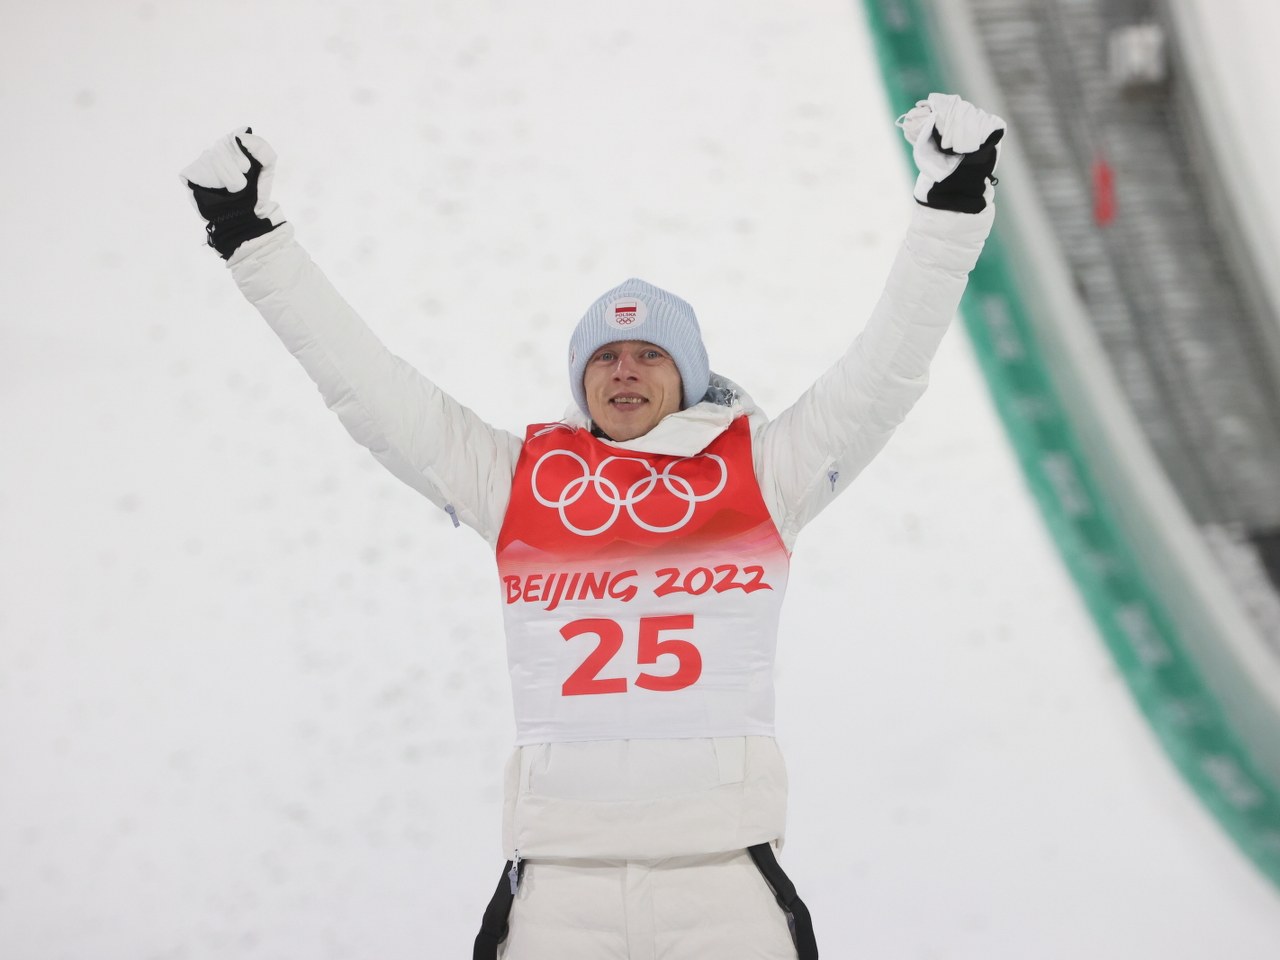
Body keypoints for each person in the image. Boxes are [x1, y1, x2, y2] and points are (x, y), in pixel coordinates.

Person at [180, 92, 1005, 960]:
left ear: (688, 377)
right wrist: (252, 238)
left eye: (651, 354)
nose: (625, 371)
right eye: (605, 357)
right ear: (579, 380)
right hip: (557, 885)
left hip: (721, 876)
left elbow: (885, 375)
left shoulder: (762, 473)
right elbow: (370, 389)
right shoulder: (520, 481)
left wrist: (949, 211)